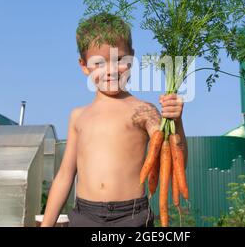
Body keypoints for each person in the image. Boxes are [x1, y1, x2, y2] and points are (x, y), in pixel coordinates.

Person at [41, 12, 187, 227]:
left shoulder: (144, 110)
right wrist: (46, 224)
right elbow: (65, 175)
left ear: (132, 58)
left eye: (119, 60)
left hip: (132, 216)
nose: (110, 70)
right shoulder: (78, 116)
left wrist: (177, 122)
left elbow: (176, 161)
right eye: (98, 63)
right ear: (84, 66)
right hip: (84, 216)